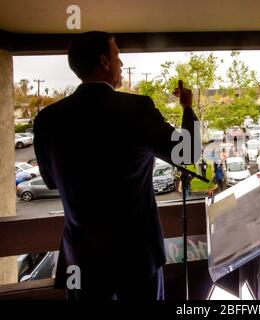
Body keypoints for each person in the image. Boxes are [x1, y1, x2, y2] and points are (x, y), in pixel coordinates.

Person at [33, 31, 200, 300]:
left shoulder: (48, 120)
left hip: (81, 260)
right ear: (105, 62)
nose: (121, 64)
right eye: (118, 57)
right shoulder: (136, 109)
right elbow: (188, 152)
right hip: (136, 257)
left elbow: (52, 181)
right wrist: (188, 108)